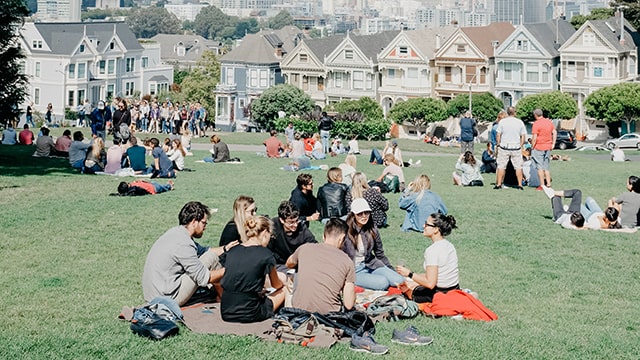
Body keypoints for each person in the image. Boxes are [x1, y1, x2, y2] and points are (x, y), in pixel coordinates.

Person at [142, 201, 235, 306]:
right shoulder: (183, 244)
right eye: (204, 223)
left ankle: (222, 295)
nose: (205, 227)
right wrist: (231, 269)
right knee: (212, 259)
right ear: (194, 222)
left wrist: (226, 248)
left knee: (210, 256)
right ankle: (226, 299)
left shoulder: (178, 233)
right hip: (167, 299)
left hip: (156, 294)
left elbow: (204, 251)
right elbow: (204, 278)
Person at [220, 216, 286, 323]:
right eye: (271, 235)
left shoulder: (233, 251)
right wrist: (284, 282)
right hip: (250, 312)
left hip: (226, 311)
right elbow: (276, 285)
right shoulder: (266, 255)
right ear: (265, 232)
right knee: (285, 289)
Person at [286, 218, 355, 313]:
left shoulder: (304, 248)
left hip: (299, 311)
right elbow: (349, 304)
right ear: (342, 239)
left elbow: (289, 263)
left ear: (323, 236)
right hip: (329, 315)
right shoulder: (347, 261)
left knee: (293, 273)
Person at [341, 198, 404, 290]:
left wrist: (391, 270)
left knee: (399, 280)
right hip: (354, 270)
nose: (364, 216)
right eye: (360, 214)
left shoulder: (372, 229)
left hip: (371, 264)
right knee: (382, 283)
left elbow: (380, 254)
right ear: (353, 215)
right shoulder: (344, 230)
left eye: (366, 213)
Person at [396, 213, 460, 303]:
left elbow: (430, 284)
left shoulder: (432, 251)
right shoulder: (449, 246)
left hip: (439, 293)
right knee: (412, 282)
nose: (423, 226)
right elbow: (438, 274)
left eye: (426, 224)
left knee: (406, 291)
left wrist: (409, 274)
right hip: (454, 289)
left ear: (436, 230)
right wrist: (413, 280)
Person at [270, 201, 316, 274]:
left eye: (296, 221)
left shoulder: (302, 228)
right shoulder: (273, 227)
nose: (295, 225)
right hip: (278, 265)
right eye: (291, 222)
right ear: (282, 220)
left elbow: (313, 244)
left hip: (296, 264)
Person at [494, 106, 526, 190]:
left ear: (507, 113)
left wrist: (498, 143)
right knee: (518, 166)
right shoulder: (519, 122)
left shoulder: (503, 122)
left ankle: (498, 184)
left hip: (504, 146)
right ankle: (520, 185)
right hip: (516, 147)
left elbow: (498, 134)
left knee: (501, 166)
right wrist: (521, 145)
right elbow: (523, 135)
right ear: (515, 112)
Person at [530, 109, 557, 189]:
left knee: (540, 167)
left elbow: (534, 137)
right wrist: (553, 144)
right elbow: (554, 132)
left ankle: (542, 185)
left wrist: (532, 147)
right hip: (548, 147)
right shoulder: (549, 122)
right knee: (546, 167)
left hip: (539, 147)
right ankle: (548, 184)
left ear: (535, 115)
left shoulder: (536, 124)